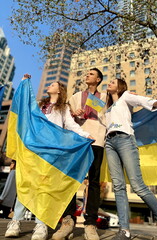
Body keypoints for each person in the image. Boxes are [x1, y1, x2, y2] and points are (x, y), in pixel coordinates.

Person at [5, 74, 93, 240]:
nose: (50, 86)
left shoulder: (63, 108)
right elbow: (24, 111)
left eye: (53, 84)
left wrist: (85, 135)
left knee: (45, 189)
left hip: (51, 154)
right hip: (34, 151)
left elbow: (72, 125)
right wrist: (24, 83)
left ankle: (41, 225)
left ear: (59, 91)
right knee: (26, 185)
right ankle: (15, 222)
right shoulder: (38, 106)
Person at [105, 78, 157, 240]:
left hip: (125, 140)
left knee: (138, 186)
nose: (109, 83)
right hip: (109, 142)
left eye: (112, 82)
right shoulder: (108, 107)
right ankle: (125, 231)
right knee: (118, 187)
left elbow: (142, 100)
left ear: (120, 87)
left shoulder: (125, 97)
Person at [52, 68, 106, 240]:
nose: (87, 75)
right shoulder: (75, 97)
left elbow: (108, 117)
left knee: (94, 181)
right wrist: (74, 114)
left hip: (97, 138)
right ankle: (67, 222)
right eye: (87, 73)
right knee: (71, 179)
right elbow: (67, 119)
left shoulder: (105, 97)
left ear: (98, 79)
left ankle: (90, 224)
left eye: (91, 74)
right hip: (77, 139)